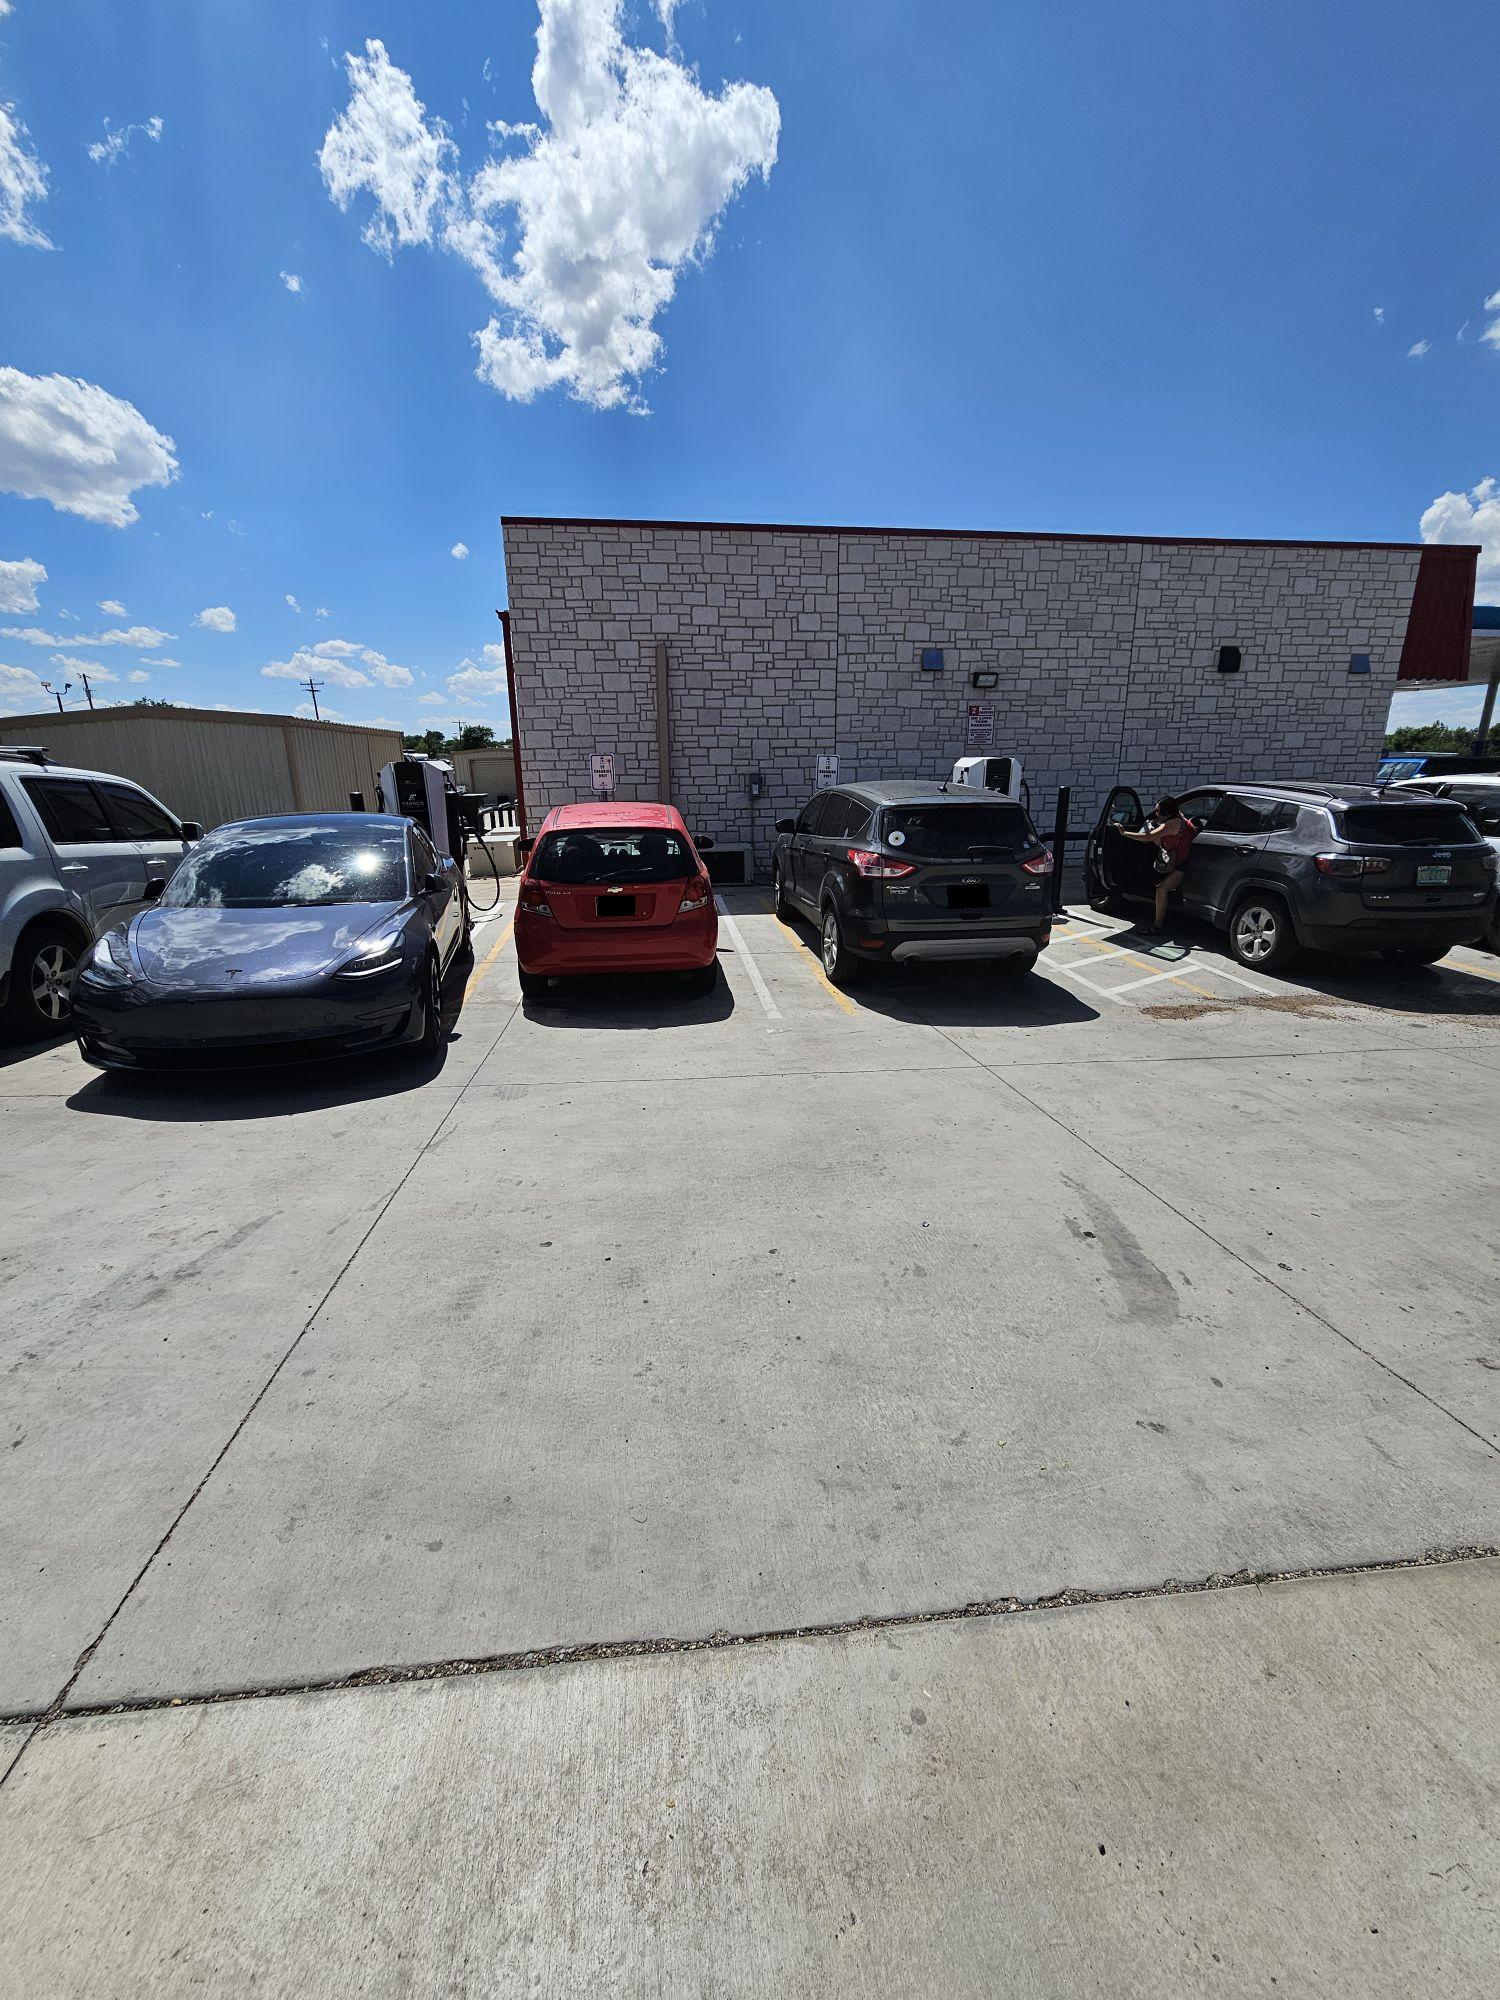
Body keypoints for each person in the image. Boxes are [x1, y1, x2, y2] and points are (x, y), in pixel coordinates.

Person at [1118, 795, 1198, 933]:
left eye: (1157, 811)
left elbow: (1147, 837)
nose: (1155, 813)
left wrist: (1124, 833)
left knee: (1161, 889)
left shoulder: (1172, 824)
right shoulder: (1179, 818)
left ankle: (1157, 926)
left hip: (1181, 865)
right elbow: (1162, 840)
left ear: (1166, 813)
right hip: (1181, 860)